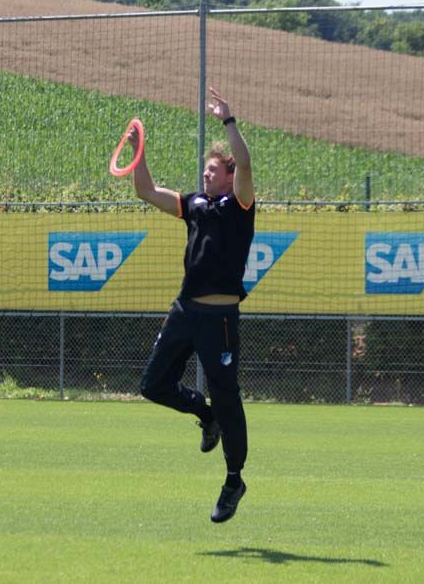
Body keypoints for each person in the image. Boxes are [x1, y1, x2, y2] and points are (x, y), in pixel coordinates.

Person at [128, 87, 255, 523]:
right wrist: (136, 151)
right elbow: (145, 190)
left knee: (229, 398)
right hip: (186, 310)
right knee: (152, 385)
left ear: (229, 175)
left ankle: (234, 479)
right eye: (204, 170)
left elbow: (247, 162)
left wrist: (229, 120)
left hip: (219, 316)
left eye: (213, 170)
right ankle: (205, 416)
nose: (205, 175)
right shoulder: (195, 205)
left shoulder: (240, 206)